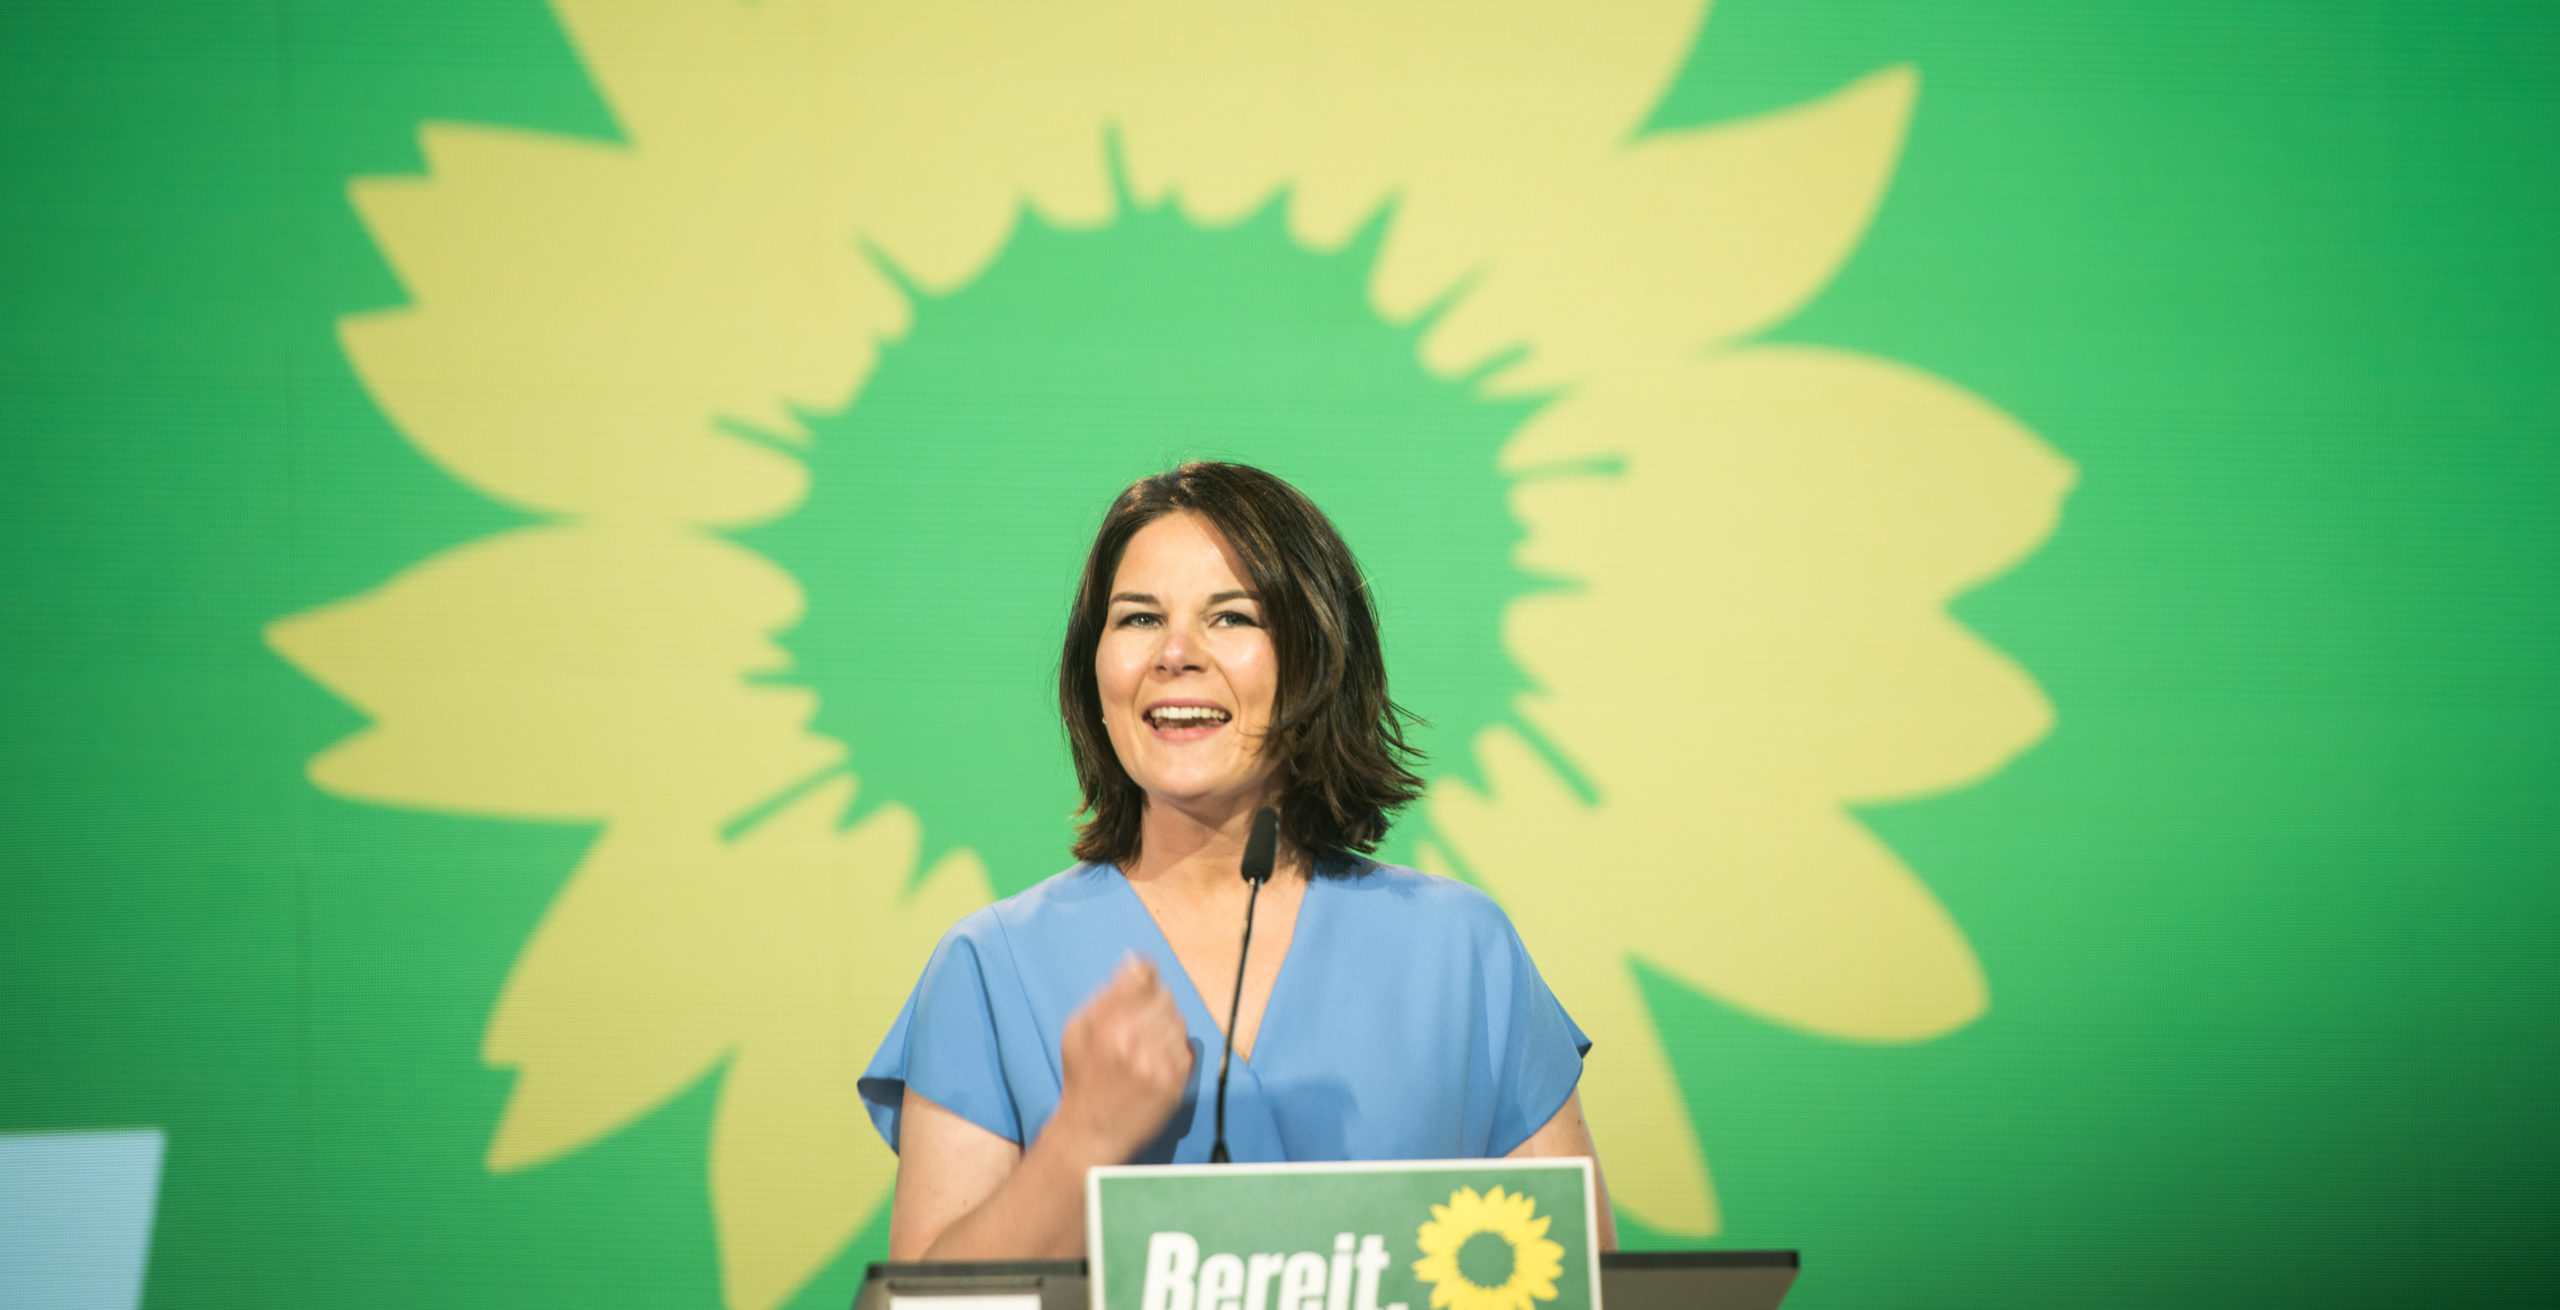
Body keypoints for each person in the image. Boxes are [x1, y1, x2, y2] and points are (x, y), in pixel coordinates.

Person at [859, 461, 1613, 1259]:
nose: (1175, 653)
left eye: (1231, 617)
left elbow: (1587, 1282)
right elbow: (920, 1304)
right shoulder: (989, 967)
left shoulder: (1462, 952)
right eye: (1139, 618)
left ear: (1315, 657)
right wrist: (1080, 1146)